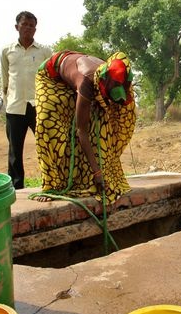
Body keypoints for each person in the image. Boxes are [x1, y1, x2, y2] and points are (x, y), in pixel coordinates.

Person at [33, 50, 136, 203]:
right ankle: (51, 185)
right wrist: (97, 172)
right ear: (101, 85)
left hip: (76, 78)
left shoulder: (109, 75)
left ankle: (85, 178)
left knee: (101, 127)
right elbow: (82, 131)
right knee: (48, 126)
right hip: (51, 78)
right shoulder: (87, 82)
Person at [1, 11, 52, 189]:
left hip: (39, 106)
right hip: (15, 107)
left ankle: (52, 181)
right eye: (25, 24)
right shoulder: (7, 51)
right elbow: (5, 80)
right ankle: (16, 187)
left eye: (32, 25)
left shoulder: (44, 51)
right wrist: (7, 102)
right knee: (15, 151)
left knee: (48, 145)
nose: (28, 28)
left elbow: (51, 78)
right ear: (17, 27)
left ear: (35, 29)